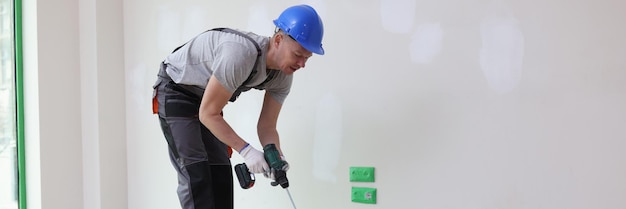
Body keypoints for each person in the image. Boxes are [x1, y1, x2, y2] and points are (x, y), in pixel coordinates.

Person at [152, 4, 324, 209]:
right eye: (298, 54)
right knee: (197, 174)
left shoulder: (283, 77)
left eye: (307, 58)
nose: (302, 64)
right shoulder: (240, 54)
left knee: (220, 172)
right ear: (278, 40)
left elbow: (267, 127)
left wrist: (276, 157)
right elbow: (208, 114)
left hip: (205, 101)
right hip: (176, 91)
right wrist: (247, 151)